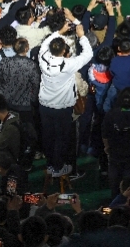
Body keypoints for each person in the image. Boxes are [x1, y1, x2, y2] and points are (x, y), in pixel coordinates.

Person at [38, 17, 93, 177]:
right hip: (62, 108)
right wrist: (82, 36)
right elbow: (88, 54)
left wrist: (59, 32)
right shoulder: (68, 65)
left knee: (48, 136)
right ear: (63, 51)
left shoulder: (43, 56)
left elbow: (46, 42)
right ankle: (58, 167)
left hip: (45, 105)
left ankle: (50, 164)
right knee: (61, 138)